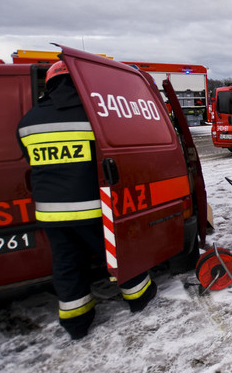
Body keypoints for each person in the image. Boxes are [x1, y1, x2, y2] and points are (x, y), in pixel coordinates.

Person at [17, 60, 157, 340]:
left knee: (66, 263)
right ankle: (140, 296)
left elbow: (30, 158)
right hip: (92, 207)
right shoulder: (92, 116)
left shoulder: (28, 122)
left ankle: (76, 322)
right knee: (116, 254)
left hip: (50, 212)